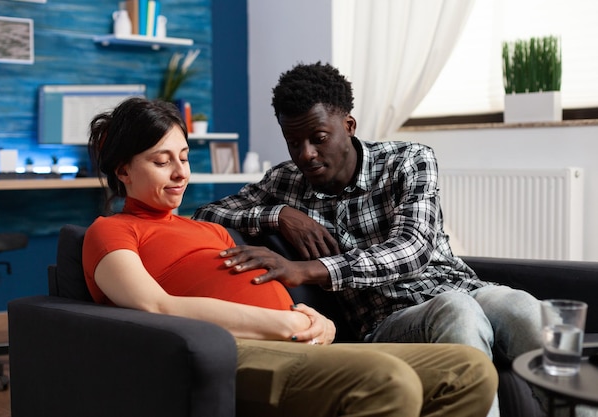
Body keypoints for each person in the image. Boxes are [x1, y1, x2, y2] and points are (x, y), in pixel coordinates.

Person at [82, 97, 497, 417]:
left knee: (468, 370)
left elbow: (252, 278)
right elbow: (156, 305)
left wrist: (318, 320)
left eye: (185, 158)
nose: (181, 174)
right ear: (123, 171)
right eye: (161, 161)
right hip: (231, 350)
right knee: (389, 382)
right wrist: (284, 322)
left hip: (300, 339)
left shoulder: (204, 227)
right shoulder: (111, 230)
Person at [191, 62, 547, 417]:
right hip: (385, 320)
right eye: (293, 142)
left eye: (318, 138)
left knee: (523, 307)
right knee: (457, 310)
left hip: (458, 286)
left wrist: (309, 270)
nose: (305, 155)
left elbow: (413, 249)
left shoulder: (409, 160)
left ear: (348, 126)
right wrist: (278, 215)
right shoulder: (284, 182)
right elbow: (205, 214)